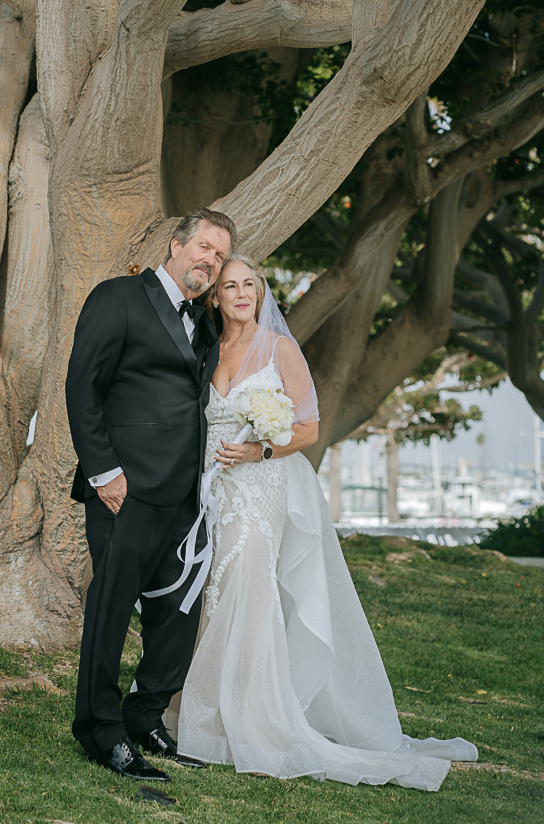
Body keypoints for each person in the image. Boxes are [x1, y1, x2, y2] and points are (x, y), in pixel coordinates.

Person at [176, 256, 478, 791]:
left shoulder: (280, 349)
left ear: (260, 292)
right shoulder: (207, 348)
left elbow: (309, 428)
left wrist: (259, 448)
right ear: (216, 297)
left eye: (250, 284)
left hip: (260, 486)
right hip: (212, 490)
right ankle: (206, 712)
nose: (242, 293)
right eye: (231, 286)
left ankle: (253, 718)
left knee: (248, 585)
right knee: (213, 592)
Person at [65, 208, 235, 781]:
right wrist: (104, 474)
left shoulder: (206, 321)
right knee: (111, 611)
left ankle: (144, 715)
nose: (210, 260)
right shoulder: (118, 297)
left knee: (177, 617)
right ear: (176, 244)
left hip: (185, 494)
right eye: (204, 247)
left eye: (219, 254)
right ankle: (100, 730)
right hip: (125, 492)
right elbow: (82, 386)